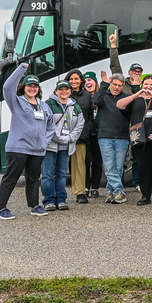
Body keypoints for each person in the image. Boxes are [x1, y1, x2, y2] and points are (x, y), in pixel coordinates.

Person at [0, 64, 55, 219]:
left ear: (38, 89)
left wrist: (44, 142)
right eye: (29, 85)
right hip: (18, 148)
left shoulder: (44, 106)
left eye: (35, 86)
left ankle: (35, 206)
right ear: (24, 87)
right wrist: (22, 68)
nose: (32, 88)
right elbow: (7, 87)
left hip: (38, 149)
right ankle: (1, 209)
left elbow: (51, 126)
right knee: (11, 178)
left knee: (34, 178)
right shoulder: (16, 102)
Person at [118, 76, 152, 206]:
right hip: (140, 140)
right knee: (143, 168)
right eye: (146, 84)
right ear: (142, 85)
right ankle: (145, 196)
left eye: (151, 85)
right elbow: (119, 105)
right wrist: (137, 94)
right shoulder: (135, 100)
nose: (148, 87)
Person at [41, 80, 85, 211]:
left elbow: (80, 124)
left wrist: (70, 138)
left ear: (70, 91)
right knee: (47, 174)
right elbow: (47, 125)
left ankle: (61, 199)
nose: (64, 91)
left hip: (66, 147)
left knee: (61, 174)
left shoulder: (75, 107)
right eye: (61, 89)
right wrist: (60, 139)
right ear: (56, 91)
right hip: (50, 146)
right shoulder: (48, 105)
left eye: (66, 89)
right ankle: (48, 200)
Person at [94, 74, 133, 203]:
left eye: (119, 85)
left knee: (119, 167)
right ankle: (119, 191)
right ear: (110, 84)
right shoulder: (103, 96)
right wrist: (104, 84)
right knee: (110, 166)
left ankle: (111, 192)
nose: (116, 87)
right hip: (105, 136)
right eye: (114, 84)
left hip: (122, 136)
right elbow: (95, 100)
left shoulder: (126, 98)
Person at [63, 69, 93, 204]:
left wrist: (87, 130)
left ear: (81, 81)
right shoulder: (62, 94)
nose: (73, 82)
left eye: (76, 79)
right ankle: (58, 194)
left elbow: (90, 116)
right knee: (60, 165)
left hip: (81, 137)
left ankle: (80, 193)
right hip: (62, 136)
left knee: (79, 165)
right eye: (71, 79)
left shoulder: (87, 96)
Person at [81, 72, 105, 200]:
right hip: (86, 134)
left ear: (95, 82)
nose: (87, 82)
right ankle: (85, 187)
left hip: (99, 134)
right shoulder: (83, 97)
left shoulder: (101, 96)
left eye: (90, 80)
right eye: (85, 81)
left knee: (97, 162)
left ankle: (95, 188)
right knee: (85, 161)